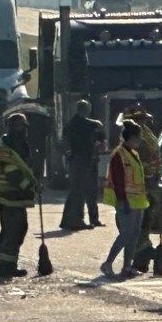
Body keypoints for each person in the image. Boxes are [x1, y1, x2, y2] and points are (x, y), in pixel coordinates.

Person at [0, 112, 39, 279]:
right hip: (10, 195)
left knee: (11, 228)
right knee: (15, 229)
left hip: (13, 195)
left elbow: (24, 167)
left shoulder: (18, 144)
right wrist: (31, 186)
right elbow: (12, 172)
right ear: (10, 127)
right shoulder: (6, 147)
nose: (21, 130)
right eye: (18, 126)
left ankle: (3, 262)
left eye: (23, 126)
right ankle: (5, 267)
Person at [100, 122, 151, 279]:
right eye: (139, 137)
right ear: (132, 137)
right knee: (126, 234)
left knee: (134, 235)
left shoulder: (134, 154)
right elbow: (118, 181)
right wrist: (123, 200)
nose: (140, 140)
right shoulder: (118, 155)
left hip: (138, 201)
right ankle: (108, 263)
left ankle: (127, 266)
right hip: (126, 202)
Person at [122, 105, 162, 272]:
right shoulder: (149, 135)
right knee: (143, 226)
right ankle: (142, 260)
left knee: (135, 226)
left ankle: (145, 255)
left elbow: (136, 163)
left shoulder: (138, 138)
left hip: (141, 187)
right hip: (151, 185)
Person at [60, 99, 105, 231]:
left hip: (88, 159)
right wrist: (97, 124)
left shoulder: (78, 123)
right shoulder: (76, 123)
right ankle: (75, 220)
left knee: (91, 190)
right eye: (86, 109)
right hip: (80, 160)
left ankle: (93, 218)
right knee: (78, 191)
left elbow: (99, 135)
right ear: (83, 110)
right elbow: (94, 125)